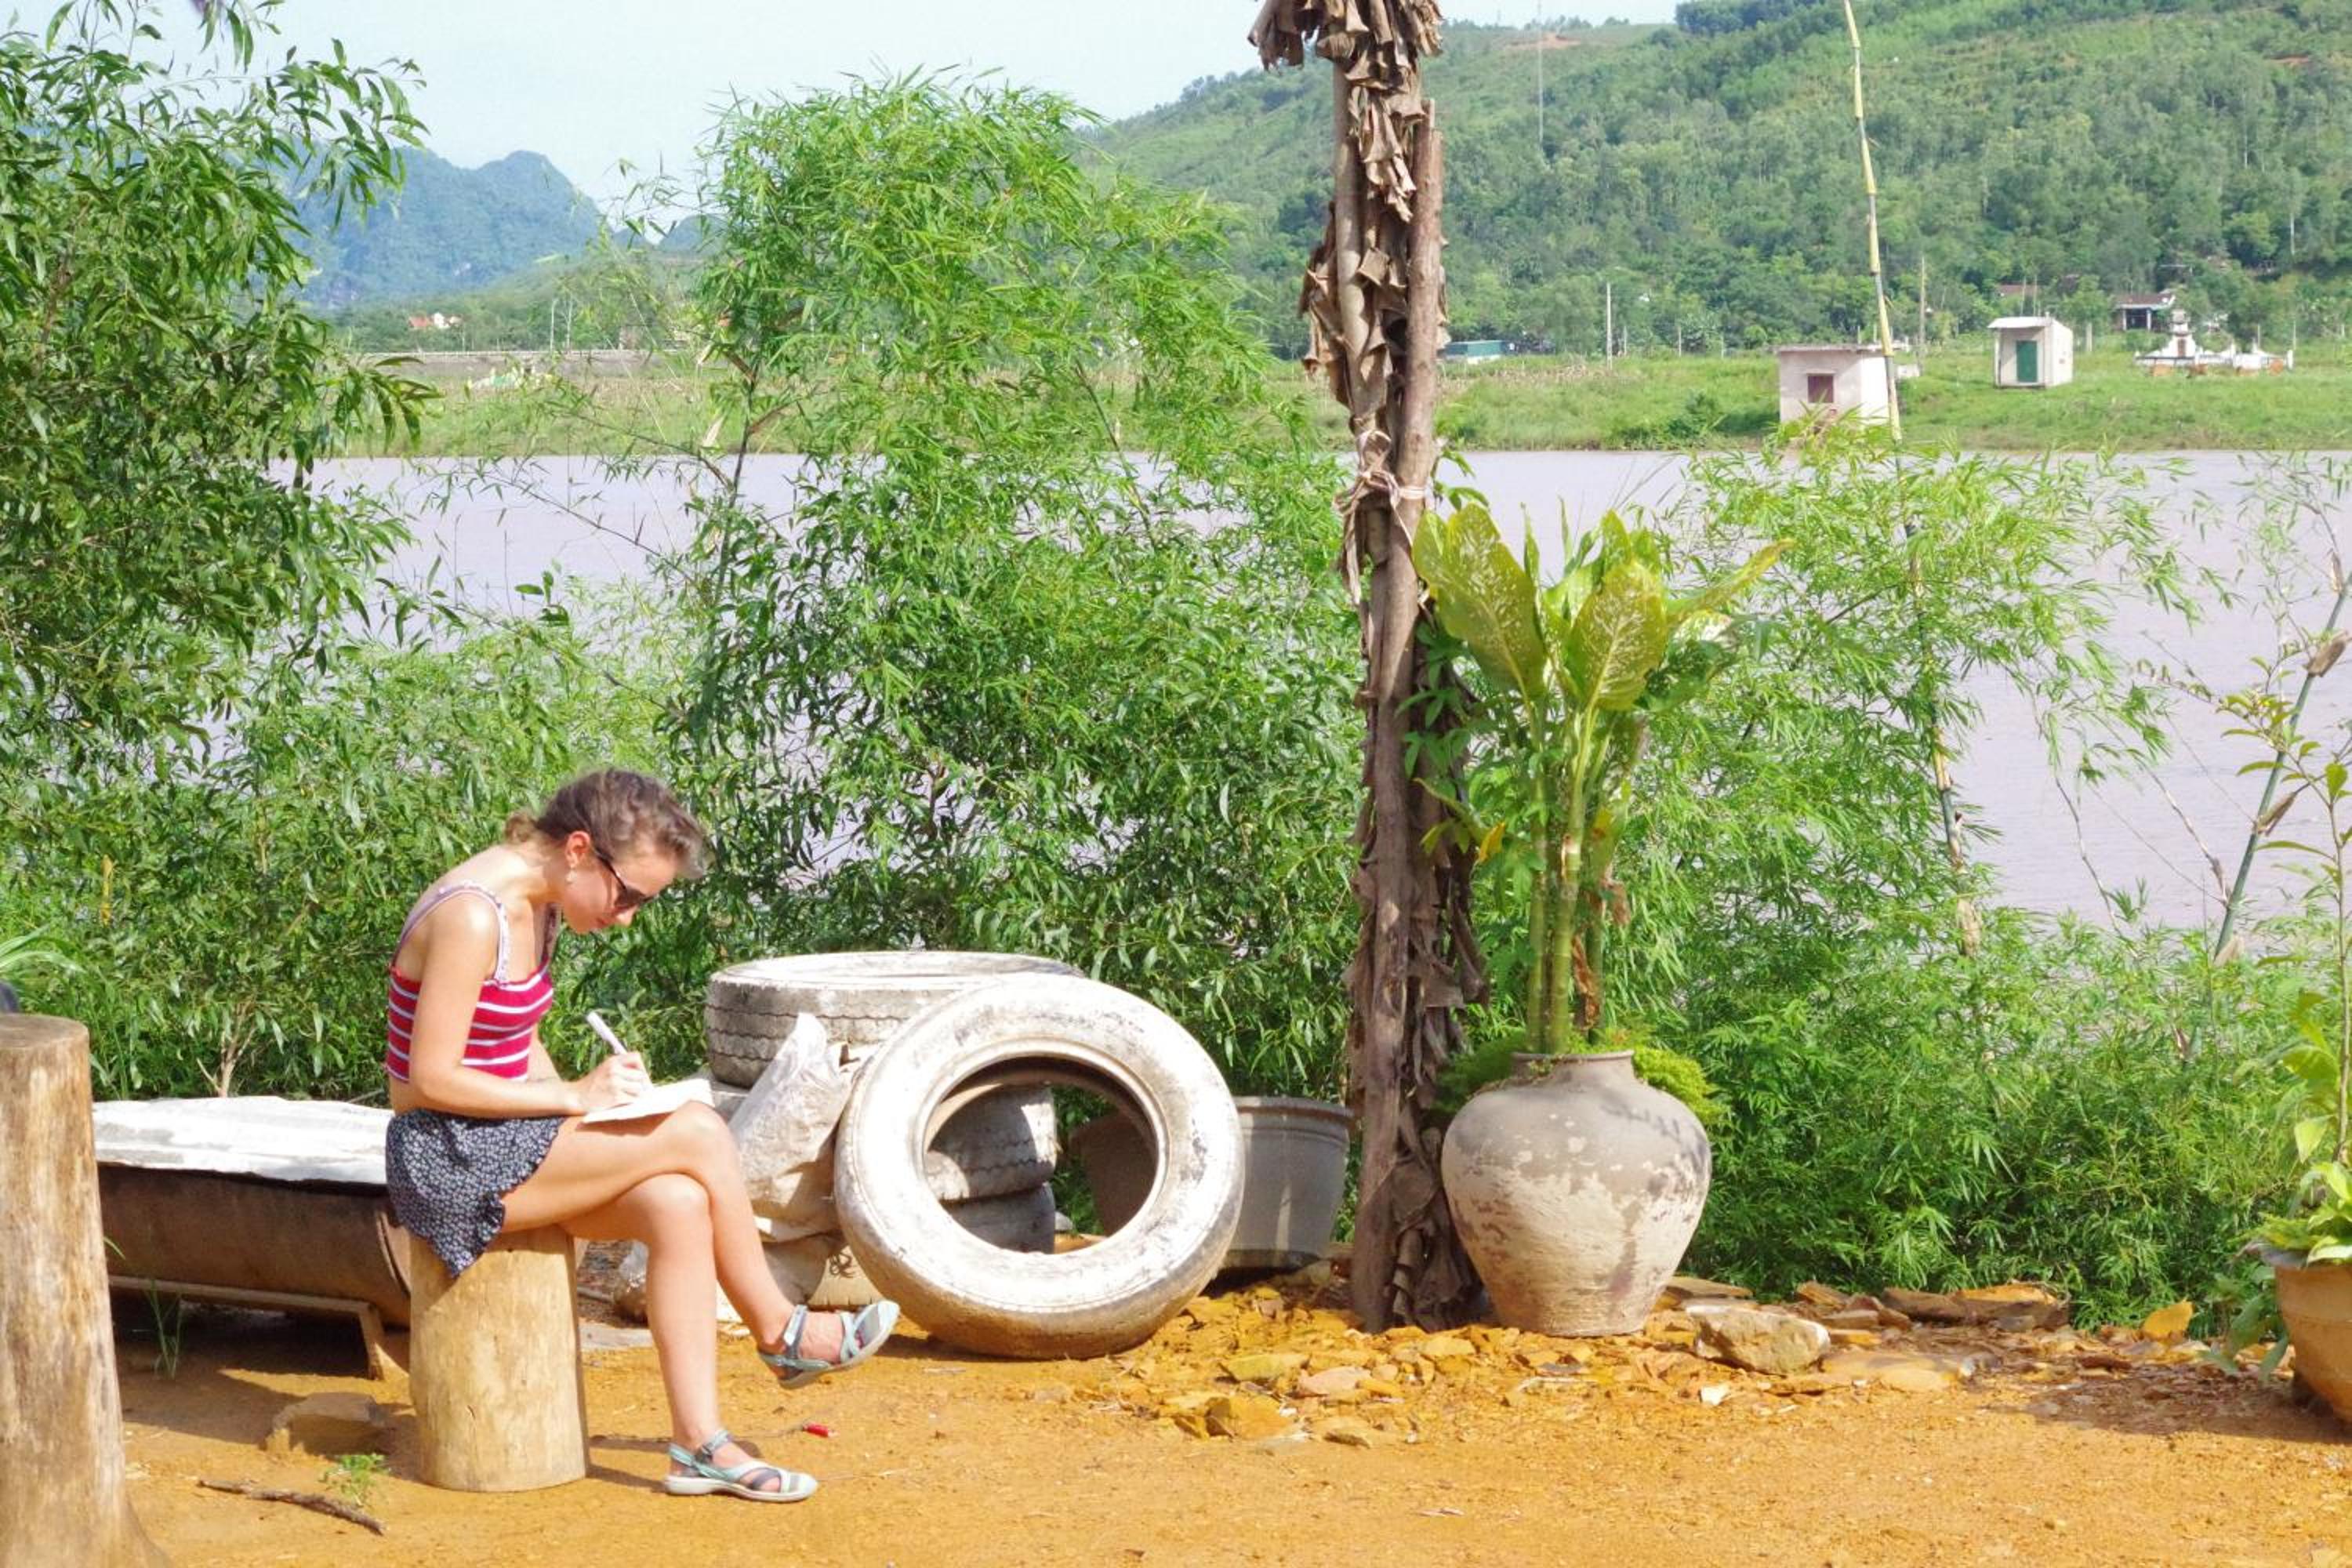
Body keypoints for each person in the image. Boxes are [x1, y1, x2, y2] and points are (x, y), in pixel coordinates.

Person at [383, 769, 895, 1503]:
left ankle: (700, 1445)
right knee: (697, 1129)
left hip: (498, 1142)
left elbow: (514, 1043)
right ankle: (781, 1331)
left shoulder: (541, 906)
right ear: (579, 850)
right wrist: (571, 1097)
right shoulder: (473, 915)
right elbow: (424, 1081)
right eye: (628, 897)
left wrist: (586, 1114)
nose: (626, 919)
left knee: (677, 1202)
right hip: (445, 1159)